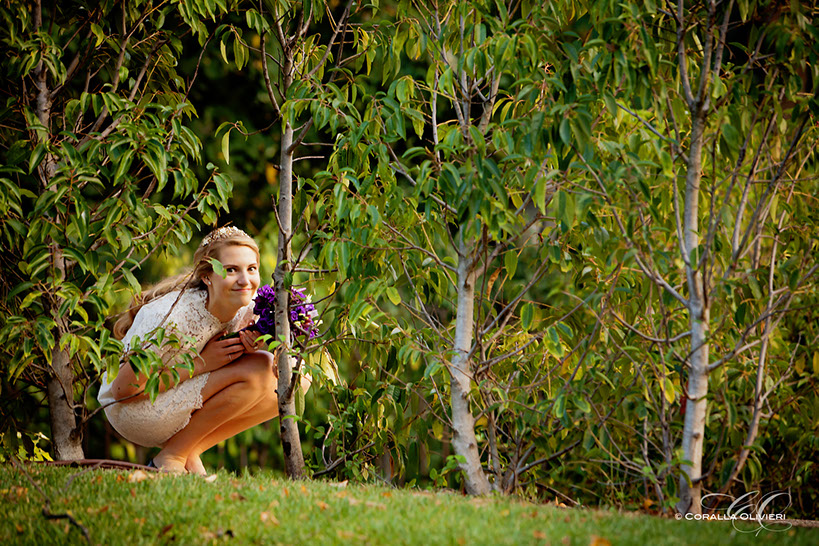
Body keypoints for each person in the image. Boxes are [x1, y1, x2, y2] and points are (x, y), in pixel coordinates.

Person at [97, 226, 308, 474]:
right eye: (231, 270)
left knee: (296, 377)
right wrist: (201, 364)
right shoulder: (174, 317)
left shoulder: (246, 307)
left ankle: (186, 450)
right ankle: (173, 455)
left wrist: (257, 347)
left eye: (251, 269)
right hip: (133, 410)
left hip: (175, 391)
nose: (245, 280)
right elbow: (124, 391)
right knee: (260, 370)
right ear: (208, 276)